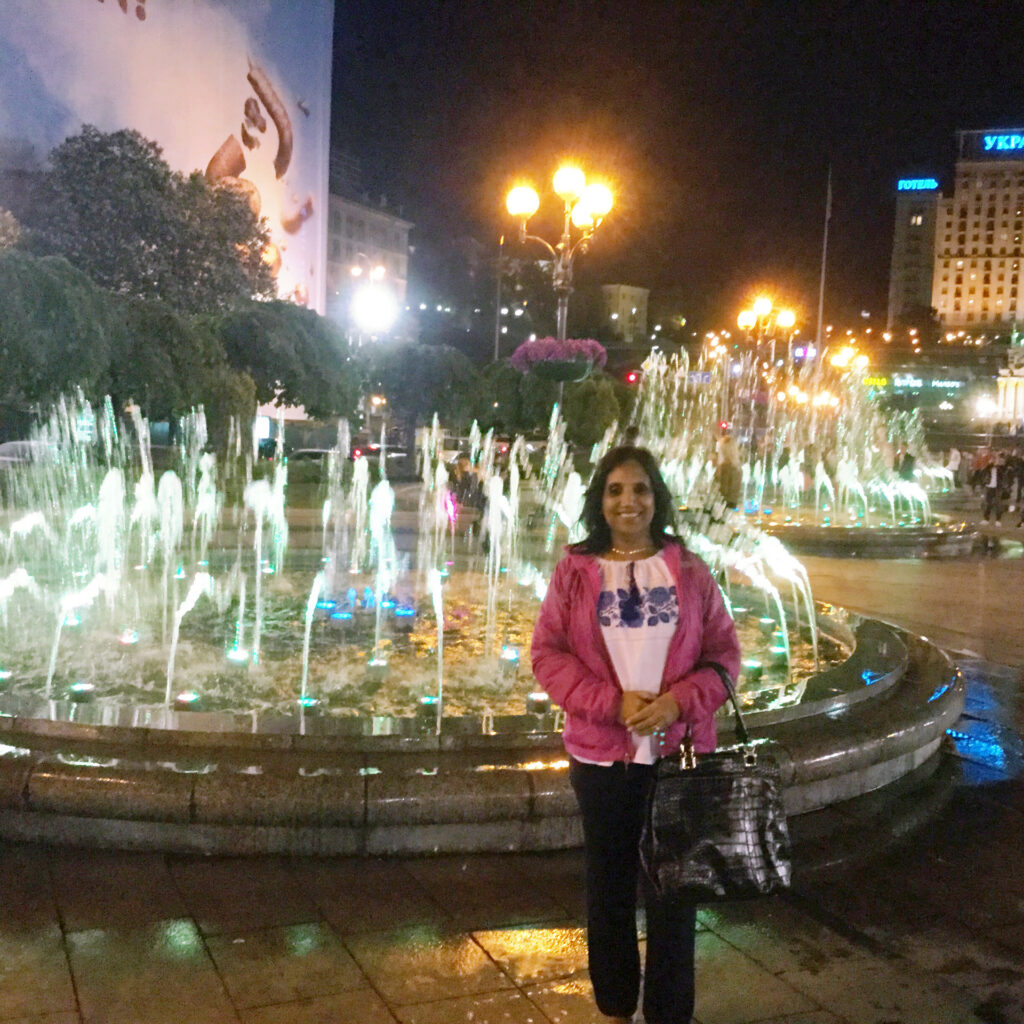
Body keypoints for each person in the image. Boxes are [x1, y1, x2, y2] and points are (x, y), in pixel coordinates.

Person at [531, 445, 741, 1024]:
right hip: (601, 760)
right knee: (610, 888)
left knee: (675, 893)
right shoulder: (575, 570)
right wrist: (610, 703)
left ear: (657, 498)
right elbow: (546, 654)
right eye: (616, 490)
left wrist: (679, 702)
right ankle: (616, 1005)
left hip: (679, 760)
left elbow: (725, 655)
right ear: (601, 500)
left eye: (641, 489)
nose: (629, 501)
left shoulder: (691, 570)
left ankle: (670, 1013)